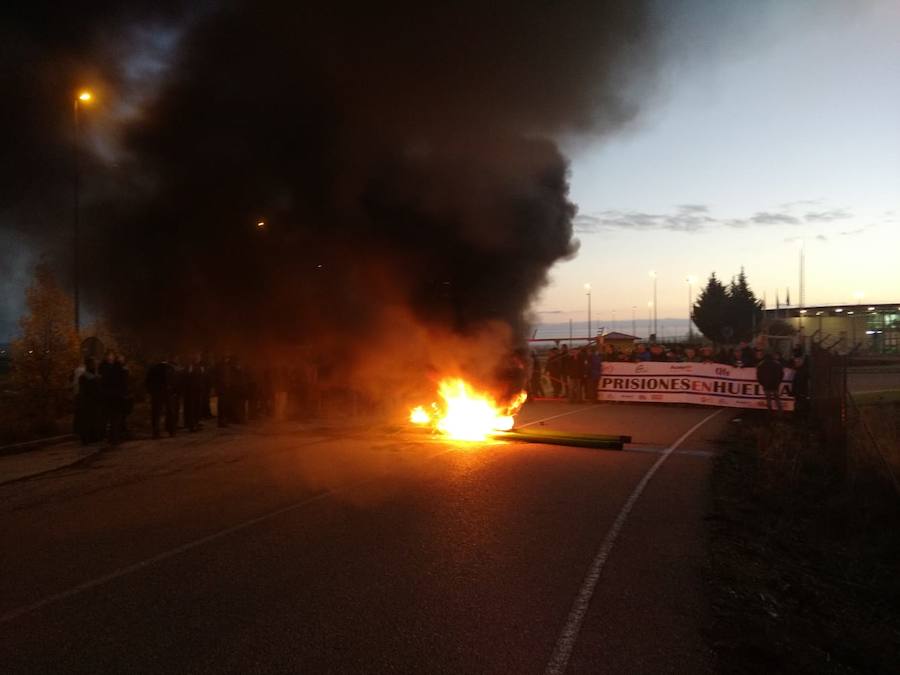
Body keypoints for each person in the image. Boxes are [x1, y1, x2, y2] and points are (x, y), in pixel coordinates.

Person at [146, 356, 179, 438]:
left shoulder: (153, 368)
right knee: (170, 412)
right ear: (167, 360)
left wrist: (151, 392)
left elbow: (148, 381)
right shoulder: (171, 368)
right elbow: (175, 381)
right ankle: (171, 431)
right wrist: (174, 391)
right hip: (168, 393)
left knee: (156, 412)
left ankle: (156, 432)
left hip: (157, 393)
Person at [75, 357, 103, 444]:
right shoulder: (86, 377)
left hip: (92, 401)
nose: (95, 366)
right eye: (93, 364)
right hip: (89, 401)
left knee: (92, 420)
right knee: (89, 420)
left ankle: (92, 437)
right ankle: (88, 438)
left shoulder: (90, 376)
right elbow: (86, 390)